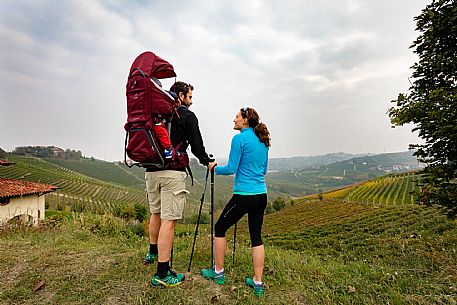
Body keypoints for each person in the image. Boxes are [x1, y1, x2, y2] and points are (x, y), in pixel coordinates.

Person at [144, 81, 212, 287]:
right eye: (190, 97)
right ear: (180, 95)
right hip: (172, 173)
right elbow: (198, 146)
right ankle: (163, 274)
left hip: (151, 170)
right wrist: (207, 161)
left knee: (155, 213)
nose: (191, 101)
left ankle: (152, 252)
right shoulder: (187, 116)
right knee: (169, 221)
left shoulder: (156, 114)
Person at [201, 107, 271, 296]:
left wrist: (214, 168)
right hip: (261, 195)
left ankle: (218, 272)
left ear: (246, 120)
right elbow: (263, 171)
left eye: (237, 117)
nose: (234, 119)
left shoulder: (239, 139)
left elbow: (231, 168)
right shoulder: (263, 141)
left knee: (220, 228)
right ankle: (258, 283)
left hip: (244, 195)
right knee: (256, 237)